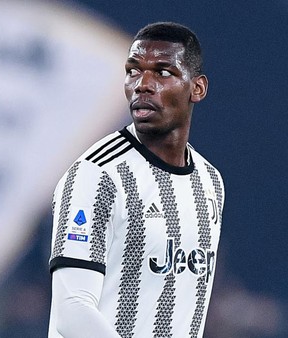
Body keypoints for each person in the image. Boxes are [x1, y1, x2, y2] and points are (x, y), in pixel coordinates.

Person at [48, 22, 224, 338]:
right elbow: (72, 311)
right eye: (133, 71)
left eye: (163, 73)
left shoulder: (210, 182)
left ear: (197, 88)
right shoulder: (97, 174)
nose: (143, 84)